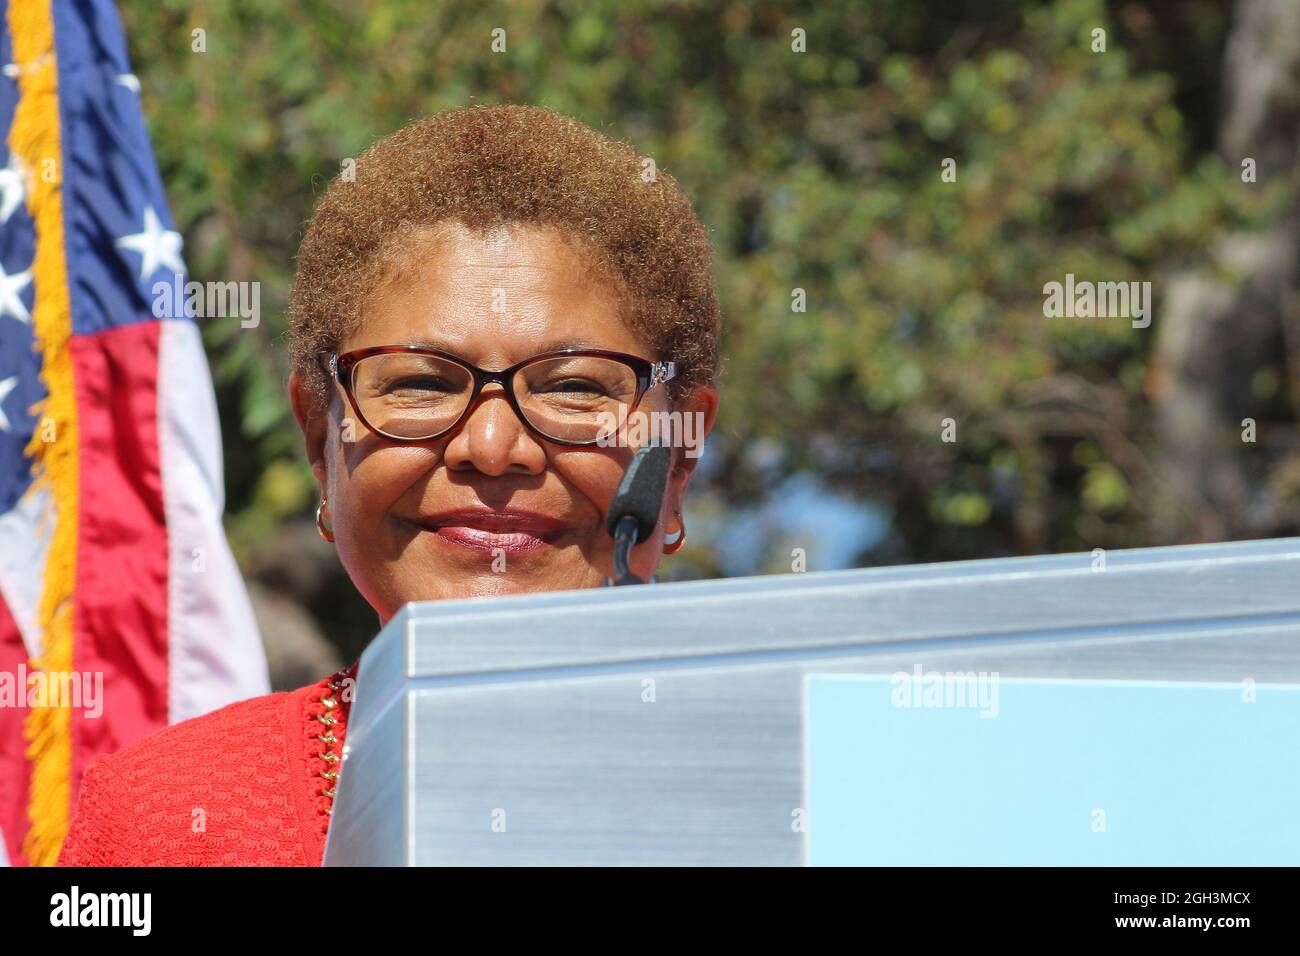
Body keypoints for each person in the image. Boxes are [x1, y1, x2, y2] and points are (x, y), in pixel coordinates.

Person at [57, 105, 721, 866]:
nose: (493, 447)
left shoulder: (830, 780)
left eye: (571, 388)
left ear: (680, 450)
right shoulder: (163, 820)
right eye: (420, 383)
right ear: (318, 436)